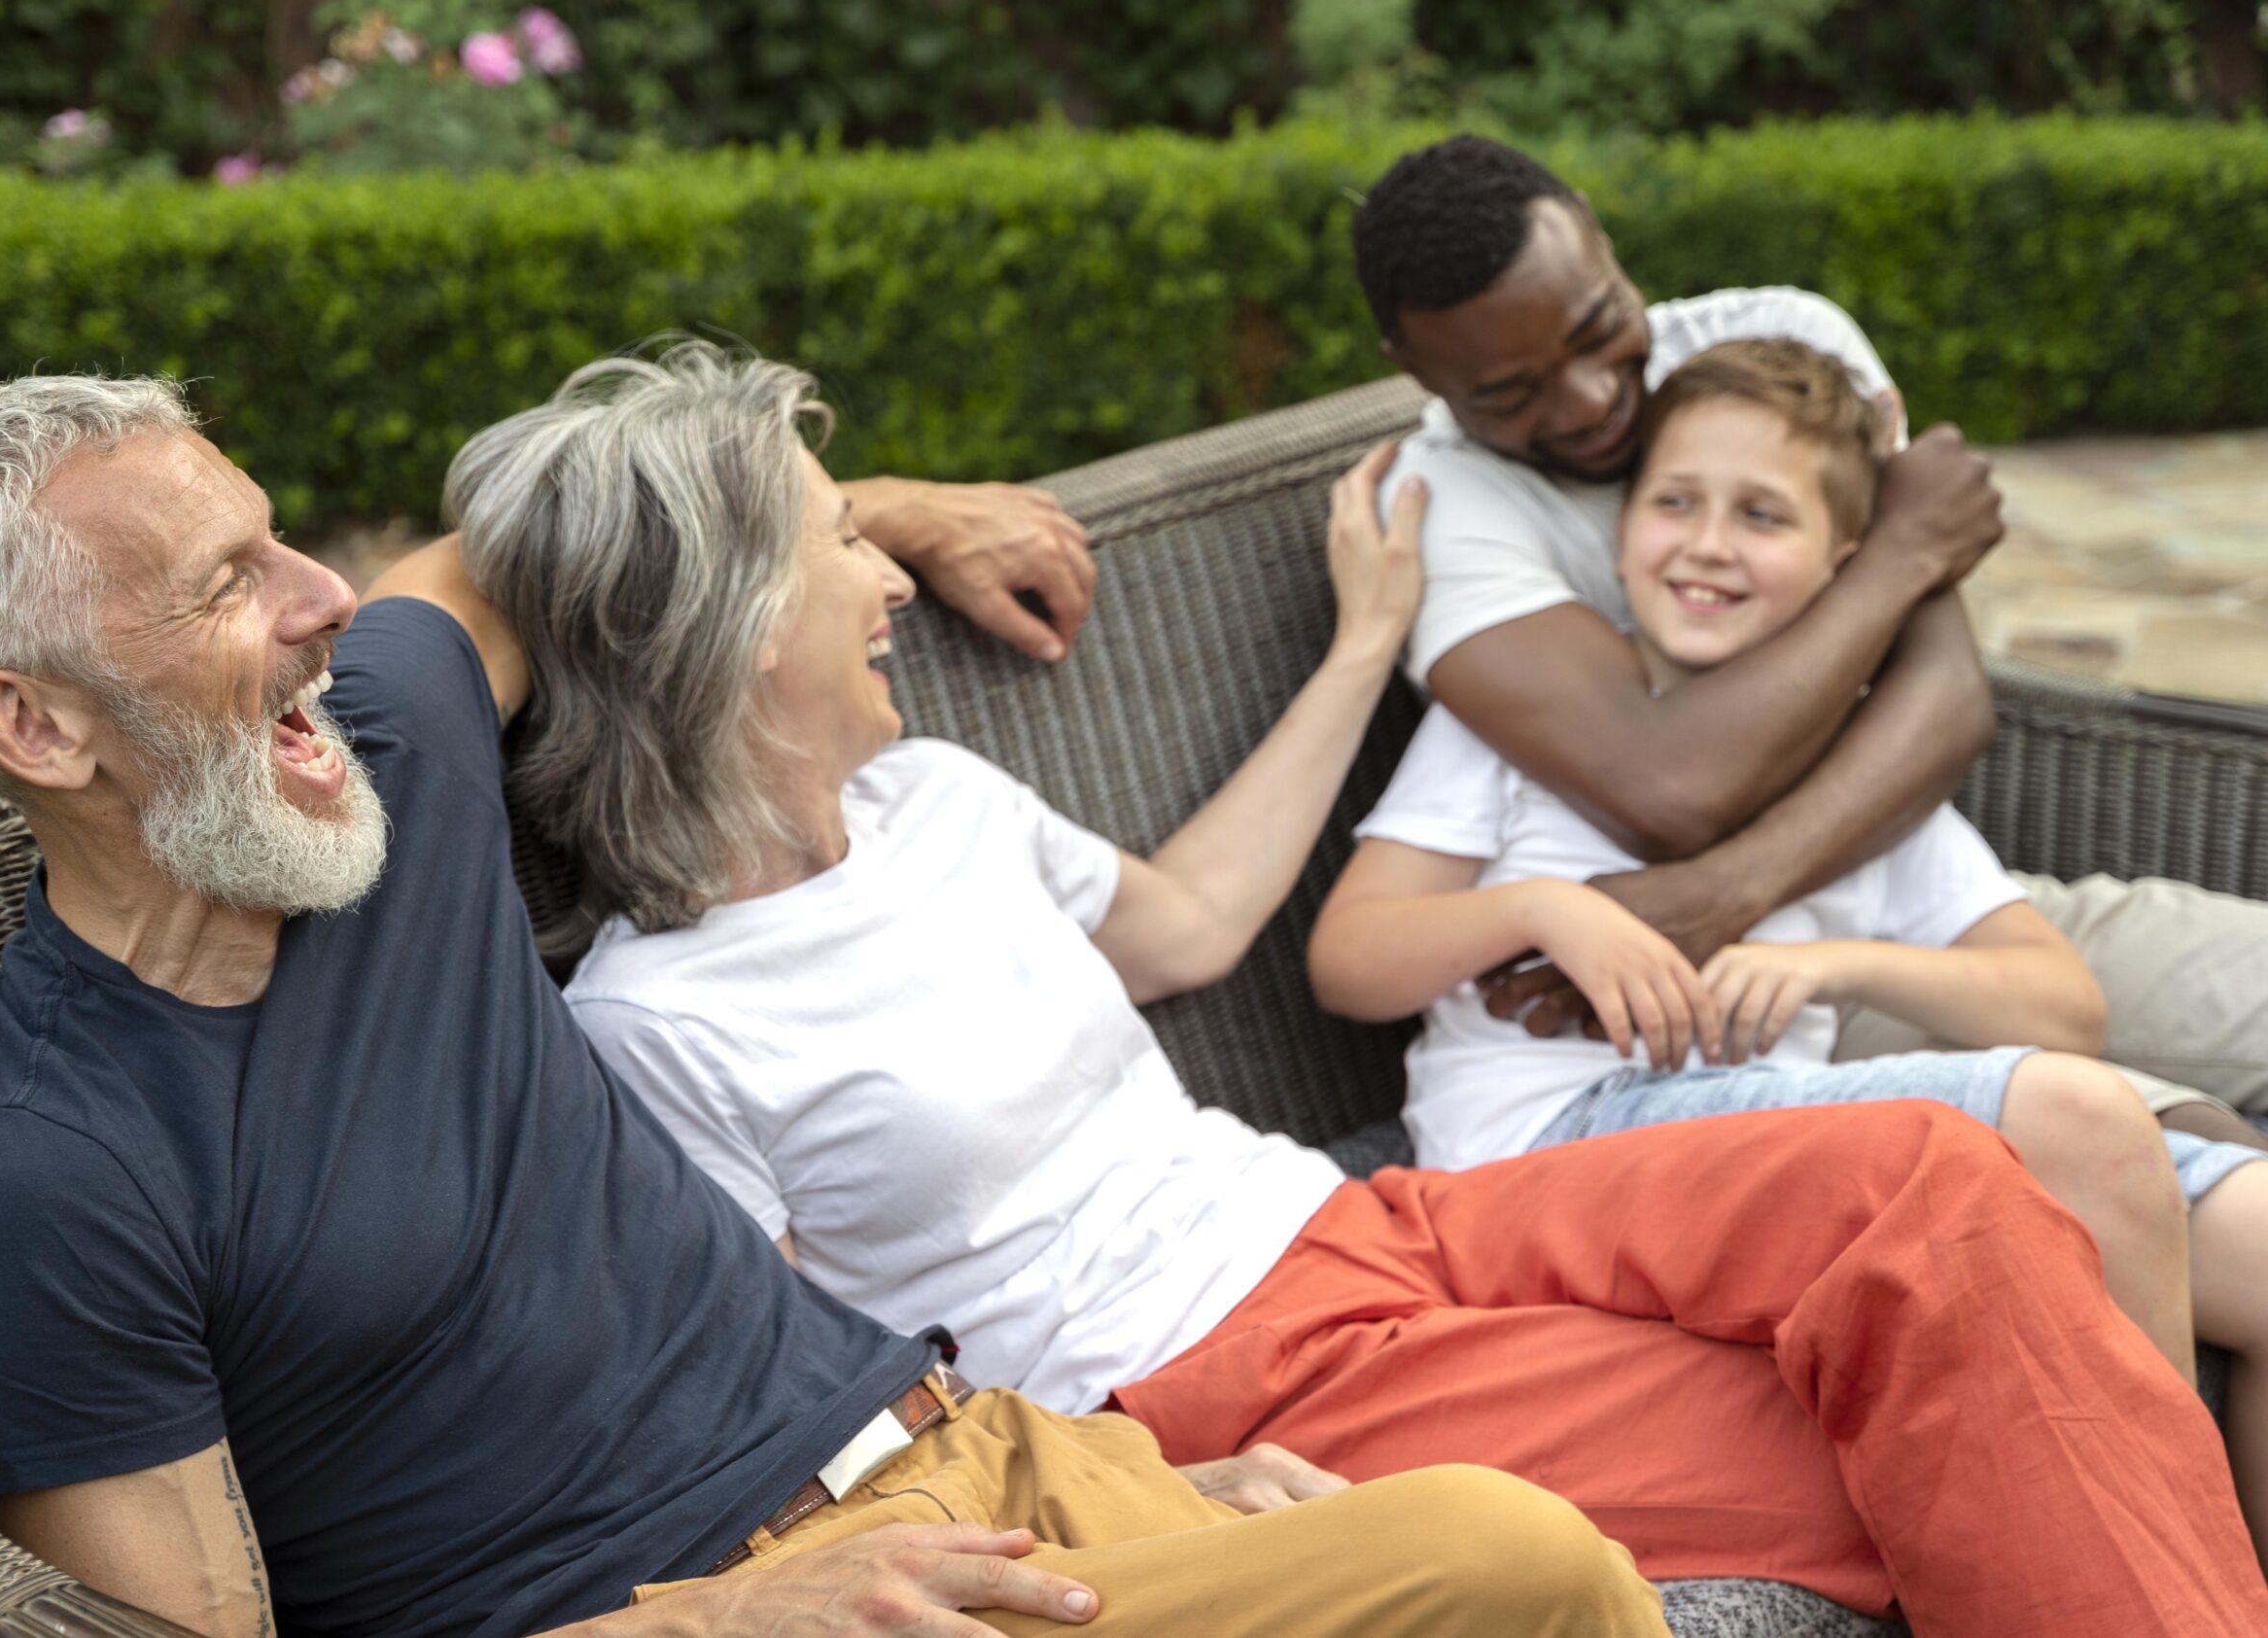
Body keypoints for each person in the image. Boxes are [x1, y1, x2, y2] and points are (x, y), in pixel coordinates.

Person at [0, 375, 1669, 1638]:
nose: (320, 599)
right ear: (36, 728)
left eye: (283, 539)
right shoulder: (54, 1188)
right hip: (758, 1609)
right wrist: (712, 1619)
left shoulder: (391, 754)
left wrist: (868, 510)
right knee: (1514, 1561)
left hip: (1004, 1460)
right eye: (230, 586)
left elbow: (544, 529)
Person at [504, 340, 2268, 1634]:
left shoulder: (935, 801)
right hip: (1203, 1372)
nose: (891, 570)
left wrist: (1366, 646)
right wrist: (1156, 1503)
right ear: (737, 627)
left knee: (1942, 1182)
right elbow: (806, 1407)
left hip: (1385, 1219)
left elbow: (1193, 920)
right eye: (839, 543)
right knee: (1913, 1454)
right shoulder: (663, 1028)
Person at [1308, 336, 2268, 1562]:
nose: (1707, 543)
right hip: (1544, 1145)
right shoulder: (1522, 733)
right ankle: (2162, 1582)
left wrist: (1836, 966)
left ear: (1843, 565)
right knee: (2078, 1122)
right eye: (1676, 503)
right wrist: (1541, 906)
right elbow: (1350, 958)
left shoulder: (1856, 772)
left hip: (1779, 1130)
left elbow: (2057, 1000)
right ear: (1618, 534)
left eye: (1760, 515)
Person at [1351, 134, 2268, 1154]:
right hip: (1719, 1037)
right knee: (2149, 1149)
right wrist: (1903, 548)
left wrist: (1721, 897)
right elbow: (1668, 790)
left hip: (1905, 912)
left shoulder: (1781, 342)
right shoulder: (1444, 505)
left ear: (1597, 233)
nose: (1587, 401)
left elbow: (1944, 699)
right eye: (1508, 395)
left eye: (1595, 327)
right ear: (1415, 370)